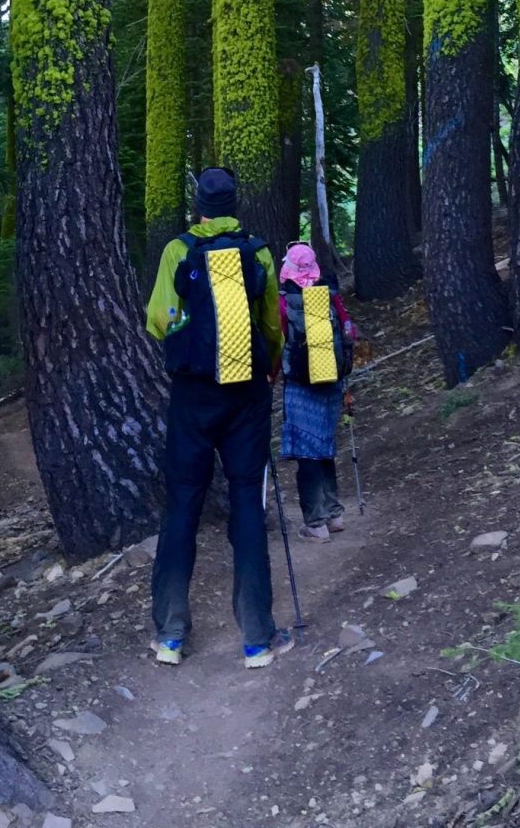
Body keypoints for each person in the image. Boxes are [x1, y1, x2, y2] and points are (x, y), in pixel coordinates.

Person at [145, 167, 295, 670]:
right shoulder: (257, 251)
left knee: (182, 508)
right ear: (235, 203)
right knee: (248, 505)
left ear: (199, 206)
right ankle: (257, 639)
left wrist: (191, 337)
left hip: (193, 395)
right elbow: (273, 322)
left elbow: (159, 318)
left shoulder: (177, 250)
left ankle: (169, 635)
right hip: (248, 395)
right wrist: (268, 361)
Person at [278, 241, 357, 541]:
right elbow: (347, 328)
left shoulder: (285, 299)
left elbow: (278, 339)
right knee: (324, 446)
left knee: (306, 453)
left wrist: (271, 374)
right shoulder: (330, 294)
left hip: (300, 386)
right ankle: (335, 514)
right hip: (331, 381)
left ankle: (315, 522)